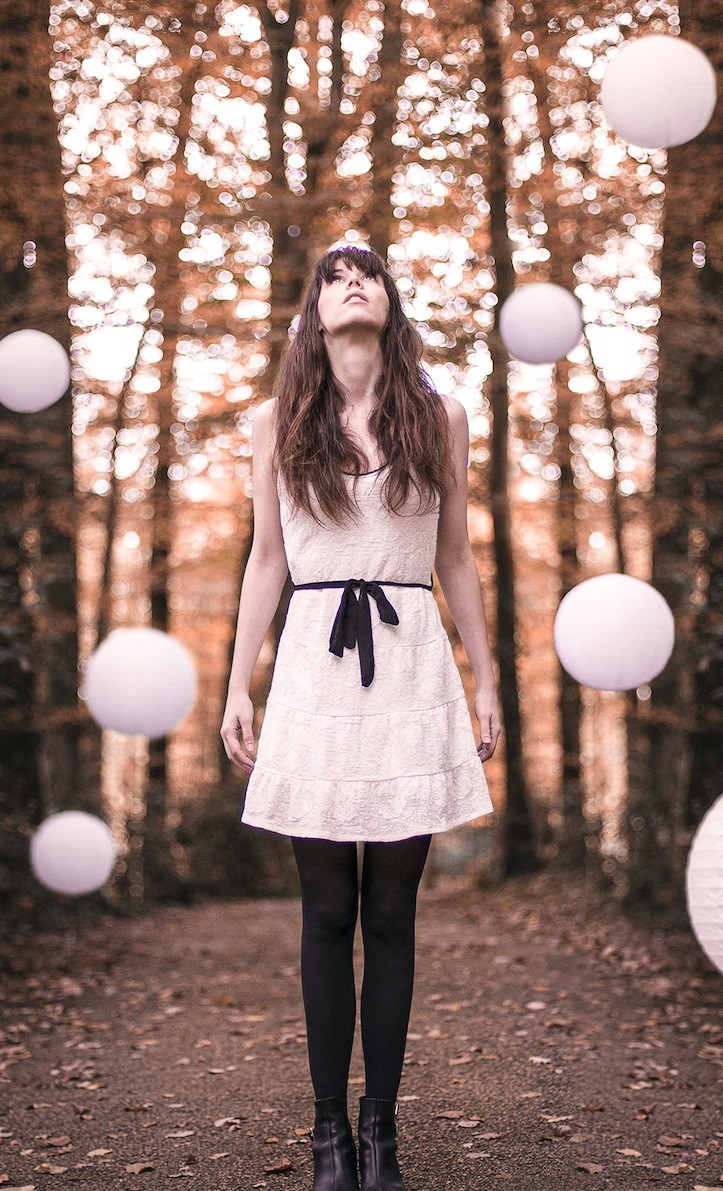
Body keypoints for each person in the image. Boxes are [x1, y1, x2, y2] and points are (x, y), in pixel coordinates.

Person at [221, 243, 500, 1191]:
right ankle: (327, 1133)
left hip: (412, 657)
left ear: (388, 303)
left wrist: (488, 679)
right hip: (312, 663)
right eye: (335, 273)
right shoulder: (274, 421)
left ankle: (381, 1132)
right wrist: (235, 685)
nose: (352, 281)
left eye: (367, 272)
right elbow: (266, 558)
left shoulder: (441, 415)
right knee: (326, 906)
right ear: (314, 306)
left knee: (391, 910)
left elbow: (455, 555)